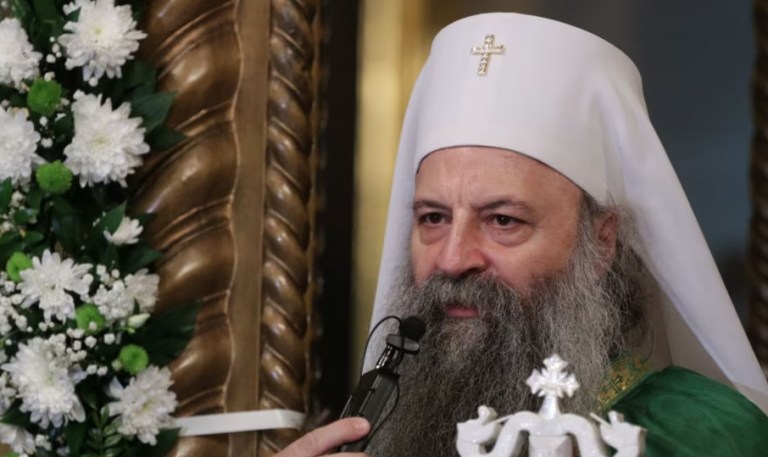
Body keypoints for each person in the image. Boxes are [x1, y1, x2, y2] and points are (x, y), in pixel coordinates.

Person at [277, 12, 768, 457]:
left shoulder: (702, 434)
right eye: (433, 218)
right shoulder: (383, 427)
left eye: (503, 221)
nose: (452, 260)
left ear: (600, 242)